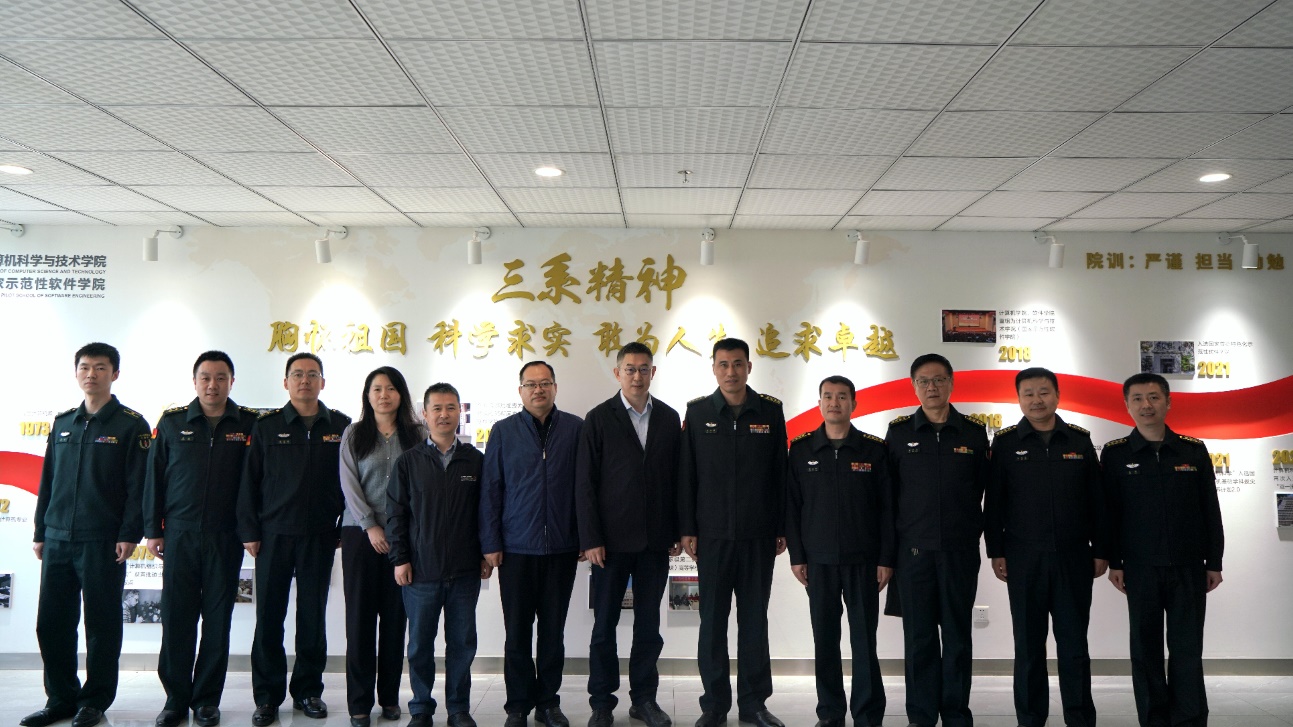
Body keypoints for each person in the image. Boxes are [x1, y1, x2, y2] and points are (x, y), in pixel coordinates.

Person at [24, 342, 152, 727]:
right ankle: (61, 698)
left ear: (115, 374)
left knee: (101, 625)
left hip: (103, 541)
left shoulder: (130, 424)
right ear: (76, 372)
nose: (91, 374)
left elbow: (138, 486)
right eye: (84, 367)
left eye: (100, 367)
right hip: (58, 538)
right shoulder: (64, 422)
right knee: (52, 624)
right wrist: (41, 531)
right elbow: (48, 481)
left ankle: (94, 701)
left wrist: (129, 533)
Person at [985, 367, 1107, 727]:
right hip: (1024, 559)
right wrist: (996, 551)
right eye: (1028, 393)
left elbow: (1097, 501)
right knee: (1028, 646)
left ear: (1057, 396)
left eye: (1043, 392)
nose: (1036, 400)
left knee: (1074, 645)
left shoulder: (1079, 441)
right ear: (1019, 399)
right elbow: (994, 503)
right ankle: (1030, 718)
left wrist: (1101, 549)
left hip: (1074, 557)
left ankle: (1080, 718)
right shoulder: (1006, 443)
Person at [1102, 373, 1224, 727]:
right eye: (1138, 398)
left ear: (1168, 402)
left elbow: (1210, 510)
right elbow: (1109, 513)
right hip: (1139, 567)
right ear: (1127, 406)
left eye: (1154, 397)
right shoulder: (1115, 454)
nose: (1147, 405)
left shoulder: (1192, 450)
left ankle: (1189, 719)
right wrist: (1115, 561)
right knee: (1145, 650)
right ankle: (1154, 719)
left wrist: (1214, 561)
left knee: (1187, 650)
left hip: (1188, 565)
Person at [237, 352, 352, 727]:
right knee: (269, 618)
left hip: (320, 536)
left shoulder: (341, 426)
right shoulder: (267, 426)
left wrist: (342, 528)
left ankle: (308, 691)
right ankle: (267, 697)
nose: (305, 380)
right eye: (298, 374)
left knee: (312, 617)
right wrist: (250, 531)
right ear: (285, 382)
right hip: (273, 536)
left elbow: (351, 483)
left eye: (312, 374)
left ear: (323, 382)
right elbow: (249, 482)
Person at [145, 350, 259, 727]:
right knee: (177, 618)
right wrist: (153, 529)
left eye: (221, 378)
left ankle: (207, 700)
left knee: (217, 620)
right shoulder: (173, 422)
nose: (213, 385)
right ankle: (175, 699)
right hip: (179, 534)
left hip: (225, 537)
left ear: (232, 382)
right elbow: (154, 478)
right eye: (206, 378)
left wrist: (249, 530)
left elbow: (256, 482)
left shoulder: (248, 423)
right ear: (194, 382)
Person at [678, 338, 788, 727]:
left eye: (738, 364)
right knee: (712, 623)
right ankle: (714, 705)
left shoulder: (770, 411)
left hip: (758, 535)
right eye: (723, 364)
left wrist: (781, 526)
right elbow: (687, 474)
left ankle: (754, 704)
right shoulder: (698, 412)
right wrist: (687, 528)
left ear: (749, 367)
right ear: (714, 368)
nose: (731, 372)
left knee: (754, 622)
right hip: (712, 536)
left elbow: (780, 473)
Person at [576, 342, 682, 727]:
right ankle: (602, 703)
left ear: (653, 373)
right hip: (609, 544)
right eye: (630, 369)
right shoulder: (598, 418)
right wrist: (590, 538)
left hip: (655, 542)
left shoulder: (669, 418)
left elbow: (678, 479)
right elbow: (584, 483)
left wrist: (677, 529)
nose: (637, 376)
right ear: (617, 373)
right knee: (604, 627)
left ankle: (644, 700)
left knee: (648, 627)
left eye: (644, 369)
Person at [884, 353, 989, 727]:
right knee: (919, 638)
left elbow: (983, 489)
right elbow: (888, 497)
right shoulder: (899, 433)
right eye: (924, 381)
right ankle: (921, 714)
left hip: (960, 552)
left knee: (958, 637)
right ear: (914, 386)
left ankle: (956, 713)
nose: (932, 387)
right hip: (913, 554)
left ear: (951, 383)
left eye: (939, 380)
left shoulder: (973, 433)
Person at [479, 361, 584, 727]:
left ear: (555, 387)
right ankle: (518, 706)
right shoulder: (504, 431)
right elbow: (491, 490)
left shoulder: (575, 428)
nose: (538, 390)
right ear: (520, 391)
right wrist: (490, 542)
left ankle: (548, 703)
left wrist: (585, 536)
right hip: (516, 549)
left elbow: (585, 488)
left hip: (562, 548)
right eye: (531, 384)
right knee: (518, 634)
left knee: (553, 633)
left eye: (545, 383)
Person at [786, 375, 894, 727]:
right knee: (825, 641)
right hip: (818, 563)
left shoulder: (873, 450)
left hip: (863, 561)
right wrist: (797, 557)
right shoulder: (801, 450)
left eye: (842, 397)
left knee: (864, 641)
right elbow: (792, 507)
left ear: (854, 403)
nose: (835, 402)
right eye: (828, 396)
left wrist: (886, 558)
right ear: (819, 402)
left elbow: (887, 509)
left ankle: (867, 713)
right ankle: (830, 712)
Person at [387, 383, 491, 727]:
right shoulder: (409, 462)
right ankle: (421, 707)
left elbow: (486, 513)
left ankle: (458, 708)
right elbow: (395, 514)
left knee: (462, 644)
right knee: (420, 645)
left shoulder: (475, 460)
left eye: (450, 408)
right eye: (437, 408)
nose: (444, 414)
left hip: (464, 572)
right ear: (425, 414)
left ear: (460, 411)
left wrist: (484, 554)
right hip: (420, 572)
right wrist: (400, 559)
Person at [339, 367, 423, 727]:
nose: (383, 395)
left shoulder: (417, 435)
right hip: (360, 537)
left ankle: (389, 698)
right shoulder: (354, 433)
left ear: (401, 394)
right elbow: (348, 483)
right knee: (359, 621)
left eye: (390, 388)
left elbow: (422, 483)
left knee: (394, 620)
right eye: (376, 389)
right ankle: (359, 703)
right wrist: (370, 524)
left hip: (403, 537)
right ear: (367, 395)